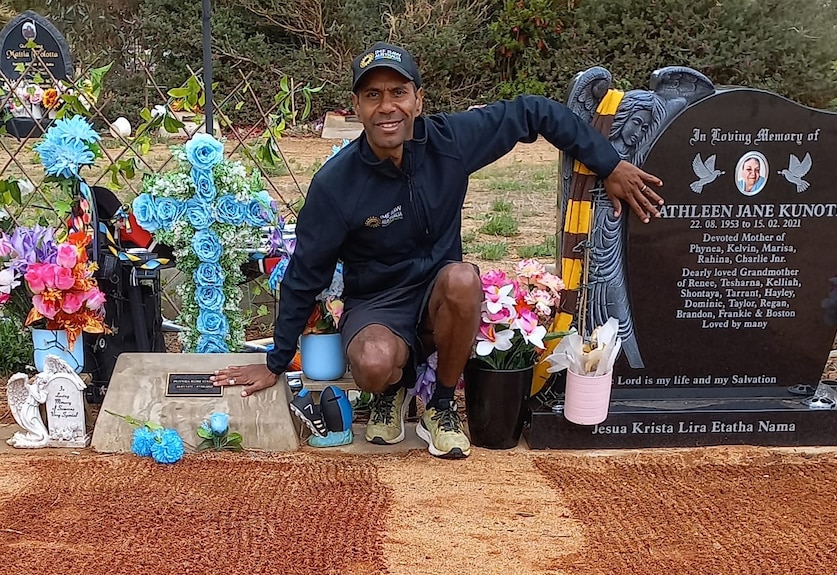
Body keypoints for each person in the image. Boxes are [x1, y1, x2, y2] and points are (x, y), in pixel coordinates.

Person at [212, 41, 664, 459]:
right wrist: (275, 362)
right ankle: (391, 394)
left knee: (463, 278)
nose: (387, 106)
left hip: (440, 297)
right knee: (372, 365)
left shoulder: (450, 141)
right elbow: (305, 274)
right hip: (378, 303)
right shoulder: (335, 185)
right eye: (372, 95)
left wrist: (608, 163)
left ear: (418, 100)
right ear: (357, 107)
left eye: (398, 92)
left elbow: (534, 112)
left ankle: (441, 405)